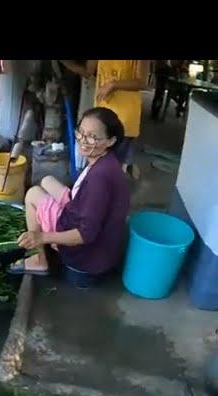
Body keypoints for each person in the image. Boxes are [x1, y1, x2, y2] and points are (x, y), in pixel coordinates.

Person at [8, 107, 130, 277]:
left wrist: (42, 237)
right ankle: (46, 236)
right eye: (81, 132)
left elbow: (85, 234)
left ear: (110, 141)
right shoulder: (107, 160)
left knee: (32, 194)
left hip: (87, 256)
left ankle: (40, 260)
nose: (83, 140)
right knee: (46, 180)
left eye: (93, 137)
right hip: (100, 237)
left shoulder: (99, 178)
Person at [59, 60, 148, 180]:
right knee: (93, 165)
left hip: (124, 120)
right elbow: (88, 72)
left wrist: (114, 84)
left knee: (112, 168)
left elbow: (141, 82)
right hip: (101, 117)